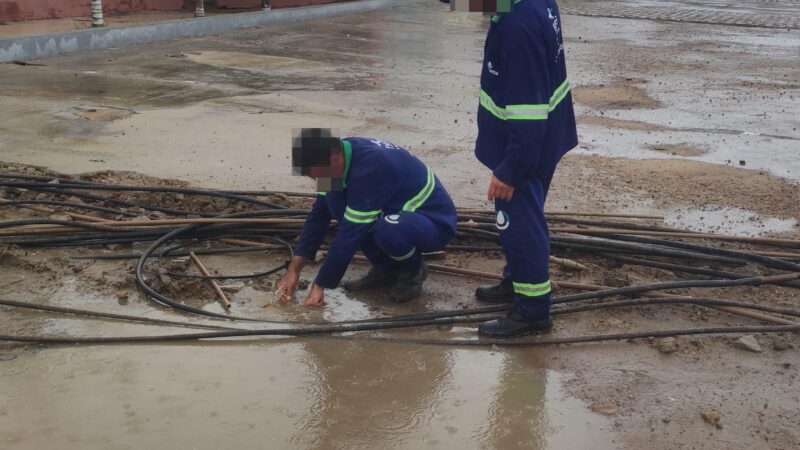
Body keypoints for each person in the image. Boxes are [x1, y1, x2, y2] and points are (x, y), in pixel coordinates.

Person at [467, 0, 578, 337]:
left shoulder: (517, 29)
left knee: (519, 227)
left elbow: (528, 114)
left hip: (522, 151)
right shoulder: (533, 3)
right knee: (525, 219)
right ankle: (516, 281)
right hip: (546, 139)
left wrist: (510, 170)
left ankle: (532, 311)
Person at [276, 129, 457, 307]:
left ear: (334, 158)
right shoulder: (340, 157)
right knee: (335, 201)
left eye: (316, 176)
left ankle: (413, 270)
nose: (315, 181)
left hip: (433, 222)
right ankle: (387, 269)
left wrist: (319, 286)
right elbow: (319, 216)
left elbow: (350, 233)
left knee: (384, 229)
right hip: (395, 212)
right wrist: (294, 270)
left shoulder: (373, 166)